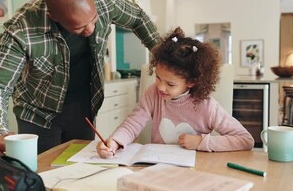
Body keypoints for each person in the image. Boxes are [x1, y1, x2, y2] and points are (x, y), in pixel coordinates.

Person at [0, 0, 160, 158]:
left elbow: (138, 18)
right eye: (79, 27)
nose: (90, 29)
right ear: (53, 17)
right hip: (38, 114)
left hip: (83, 107)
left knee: (77, 170)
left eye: (94, 19)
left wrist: (162, 56)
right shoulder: (22, 28)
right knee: (42, 175)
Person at [96, 27, 254, 158]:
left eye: (170, 84)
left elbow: (245, 140)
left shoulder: (207, 106)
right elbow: (133, 124)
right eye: (158, 78)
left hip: (197, 170)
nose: (160, 87)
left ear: (191, 82)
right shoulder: (152, 94)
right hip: (157, 167)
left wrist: (201, 142)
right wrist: (115, 142)